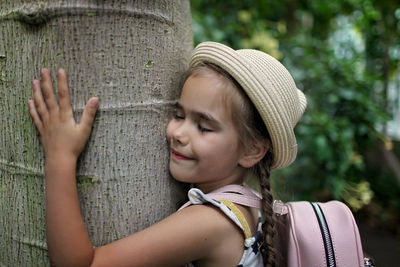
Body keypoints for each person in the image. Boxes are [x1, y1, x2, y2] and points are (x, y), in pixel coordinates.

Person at [28, 41, 306, 267]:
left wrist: (61, 156)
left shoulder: (211, 222)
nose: (178, 133)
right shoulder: (251, 208)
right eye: (179, 114)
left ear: (252, 150)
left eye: (204, 127)